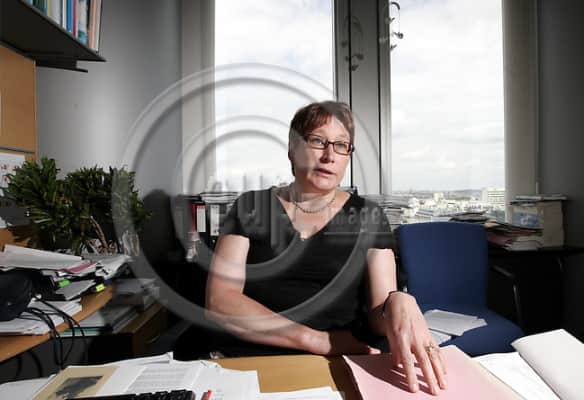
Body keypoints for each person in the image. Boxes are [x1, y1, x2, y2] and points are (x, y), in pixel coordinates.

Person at [205, 101, 447, 395]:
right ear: (293, 149)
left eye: (341, 145)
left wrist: (397, 302)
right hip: (252, 358)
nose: (329, 155)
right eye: (318, 141)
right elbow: (220, 301)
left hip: (343, 360)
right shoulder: (249, 207)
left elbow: (378, 314)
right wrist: (316, 340)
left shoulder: (370, 217)